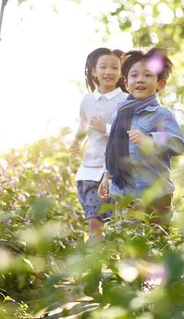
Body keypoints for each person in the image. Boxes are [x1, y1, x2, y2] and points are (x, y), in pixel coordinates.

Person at [98, 47, 184, 223]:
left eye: (148, 75)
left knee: (158, 243)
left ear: (160, 83)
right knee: (129, 243)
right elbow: (113, 149)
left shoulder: (161, 113)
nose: (140, 80)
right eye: (134, 75)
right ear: (125, 83)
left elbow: (178, 144)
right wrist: (106, 175)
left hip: (157, 194)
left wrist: (151, 139)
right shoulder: (119, 115)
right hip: (126, 195)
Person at [71, 47, 128, 242]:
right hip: (88, 169)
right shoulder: (87, 101)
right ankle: (95, 266)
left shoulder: (125, 100)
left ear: (121, 72)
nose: (108, 72)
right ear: (94, 71)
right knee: (94, 222)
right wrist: (77, 141)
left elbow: (128, 133)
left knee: (112, 223)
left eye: (114, 67)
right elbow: (83, 126)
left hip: (114, 170)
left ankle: (111, 265)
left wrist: (106, 128)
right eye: (103, 67)